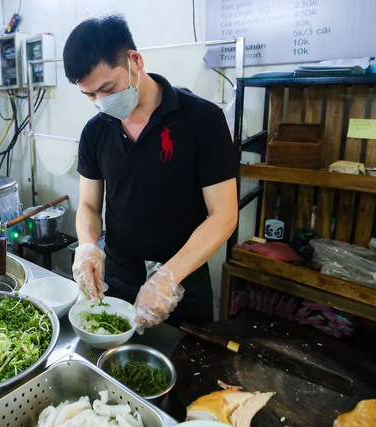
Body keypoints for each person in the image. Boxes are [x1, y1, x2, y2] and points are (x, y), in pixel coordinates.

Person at [63, 14, 238, 331]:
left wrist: (168, 278)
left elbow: (224, 214)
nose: (102, 102)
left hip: (182, 281)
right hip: (116, 280)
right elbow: (89, 205)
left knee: (189, 372)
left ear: (135, 60)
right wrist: (88, 248)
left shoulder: (202, 120)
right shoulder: (95, 131)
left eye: (108, 88)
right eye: (90, 95)